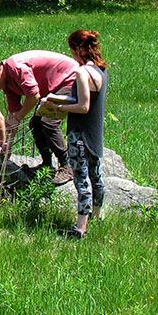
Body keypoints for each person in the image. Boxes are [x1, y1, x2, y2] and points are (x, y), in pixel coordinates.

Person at [41, 30, 109, 239]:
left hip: (79, 135)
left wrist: (58, 108)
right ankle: (98, 216)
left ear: (79, 49)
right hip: (95, 133)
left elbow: (83, 106)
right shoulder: (101, 71)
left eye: (72, 50)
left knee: (81, 179)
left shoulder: (82, 73)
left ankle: (80, 227)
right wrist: (60, 100)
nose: (72, 55)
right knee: (96, 176)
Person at [0, 50, 79, 185]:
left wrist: (18, 118)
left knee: (48, 122)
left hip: (68, 78)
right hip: (52, 88)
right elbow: (14, 116)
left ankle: (67, 165)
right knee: (35, 123)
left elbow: (34, 96)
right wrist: (7, 145)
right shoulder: (7, 84)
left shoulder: (15, 67)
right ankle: (47, 165)